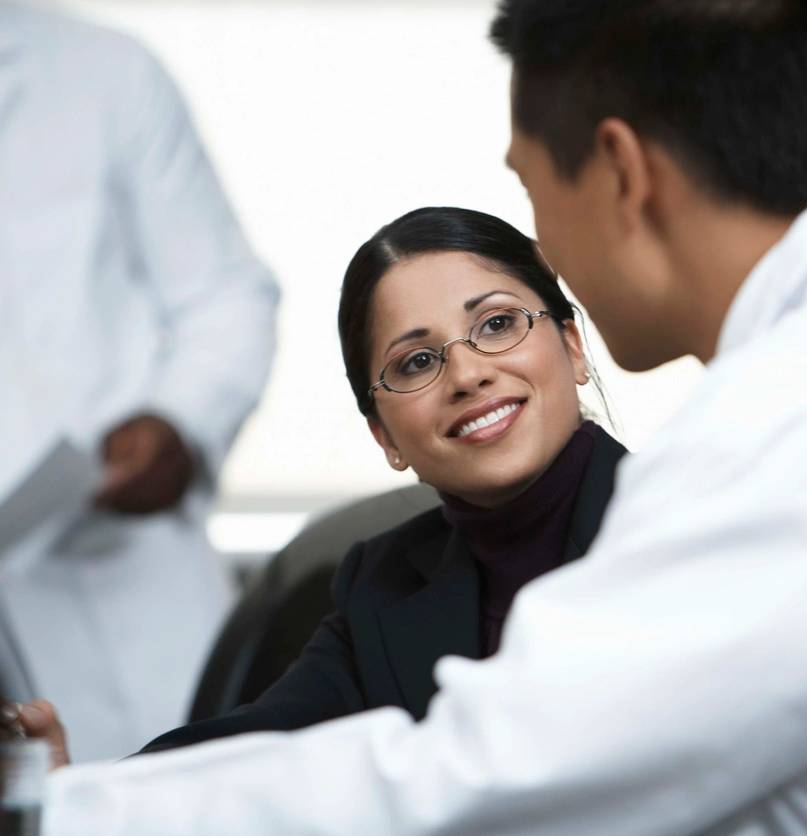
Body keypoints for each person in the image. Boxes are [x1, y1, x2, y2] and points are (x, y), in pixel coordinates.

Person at [36, 0, 807, 833]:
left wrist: (61, 810)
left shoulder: (783, 440)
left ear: (621, 173)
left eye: (531, 186)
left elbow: (493, 776)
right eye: (416, 361)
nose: (470, 373)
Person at [5, 207, 626, 764]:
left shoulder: (667, 526)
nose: (466, 374)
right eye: (416, 362)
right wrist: (76, 795)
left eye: (497, 324)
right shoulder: (383, 582)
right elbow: (254, 747)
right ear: (385, 436)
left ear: (573, 346)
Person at [0, 2, 279, 762]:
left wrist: (177, 424)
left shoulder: (105, 74)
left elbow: (225, 299)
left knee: (196, 788)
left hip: (123, 578)